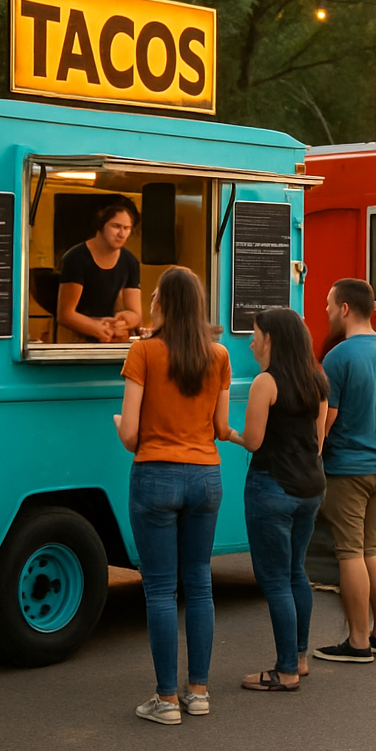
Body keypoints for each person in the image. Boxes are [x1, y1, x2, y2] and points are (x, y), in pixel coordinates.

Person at [113, 266, 232, 724]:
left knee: (161, 590)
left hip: (155, 476)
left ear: (162, 301)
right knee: (199, 584)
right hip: (205, 477)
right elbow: (221, 429)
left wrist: (120, 426)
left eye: (155, 293)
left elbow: (131, 435)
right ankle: (198, 692)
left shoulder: (142, 352)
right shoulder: (219, 355)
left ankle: (165, 701)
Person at [229, 308, 329, 692]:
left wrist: (227, 433)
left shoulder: (265, 383)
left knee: (274, 579)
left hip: (272, 488)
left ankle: (285, 671)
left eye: (255, 334)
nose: (251, 341)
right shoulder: (318, 381)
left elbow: (253, 441)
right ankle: (300, 658)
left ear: (272, 339)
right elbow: (318, 443)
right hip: (310, 489)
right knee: (295, 573)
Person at [313, 279, 376, 663]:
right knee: (374, 549)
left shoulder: (338, 358)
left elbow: (327, 421)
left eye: (328, 304)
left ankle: (357, 641)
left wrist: (313, 457)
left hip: (347, 469)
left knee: (349, 553)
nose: (326, 312)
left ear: (345, 309)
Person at [58, 198, 142, 343]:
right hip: (75, 340)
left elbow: (136, 314)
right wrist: (97, 328)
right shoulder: (76, 258)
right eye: (116, 226)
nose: (122, 234)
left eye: (127, 228)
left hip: (111, 337)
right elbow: (65, 314)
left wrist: (126, 320)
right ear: (101, 224)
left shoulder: (130, 261)